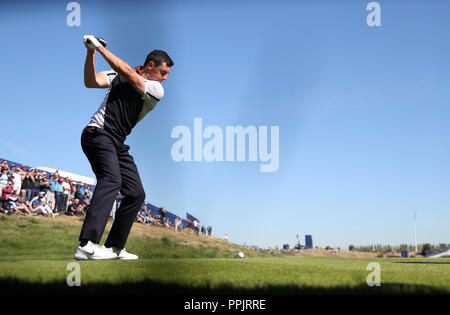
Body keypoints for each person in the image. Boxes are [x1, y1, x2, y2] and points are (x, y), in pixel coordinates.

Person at [74, 34, 174, 261]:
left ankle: (114, 247)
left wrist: (98, 47)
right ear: (150, 66)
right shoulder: (116, 75)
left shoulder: (156, 90)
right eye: (163, 72)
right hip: (97, 133)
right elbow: (91, 81)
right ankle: (87, 245)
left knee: (136, 193)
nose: (166, 78)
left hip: (116, 142)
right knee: (111, 180)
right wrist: (90, 52)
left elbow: (128, 72)